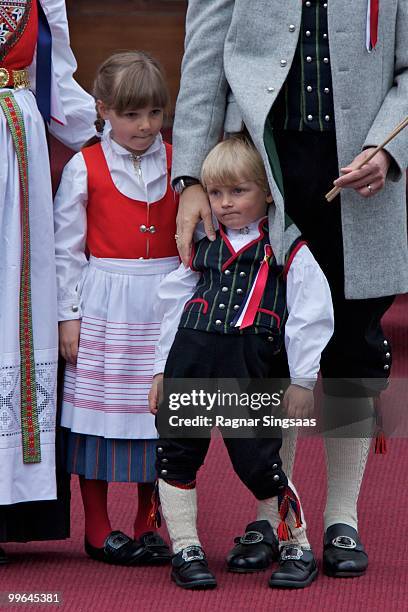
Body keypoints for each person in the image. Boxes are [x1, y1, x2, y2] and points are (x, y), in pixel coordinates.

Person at [170, 0, 408, 577]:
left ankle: (342, 517)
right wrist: (193, 178)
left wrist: (388, 147)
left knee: (353, 348)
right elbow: (204, 58)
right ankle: (271, 511)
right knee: (263, 347)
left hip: (361, 177)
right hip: (260, 170)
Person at [149, 136, 334, 589]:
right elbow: (173, 305)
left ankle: (296, 544)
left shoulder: (286, 249)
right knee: (177, 454)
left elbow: (312, 312)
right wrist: (160, 370)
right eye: (215, 193)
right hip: (190, 360)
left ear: (267, 192)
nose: (225, 204)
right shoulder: (203, 244)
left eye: (238, 192)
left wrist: (303, 380)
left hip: (247, 367)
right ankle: (186, 548)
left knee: (256, 461)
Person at [54, 51, 178, 566]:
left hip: (165, 299)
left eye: (153, 113)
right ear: (102, 109)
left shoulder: (177, 160)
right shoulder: (85, 167)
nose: (145, 126)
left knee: (159, 417)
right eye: (131, 115)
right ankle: (99, 528)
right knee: (99, 417)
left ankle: (148, 521)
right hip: (107, 299)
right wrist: (68, 315)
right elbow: (65, 249)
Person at [0, 0, 96, 564]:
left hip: (18, 151)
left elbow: (55, 75)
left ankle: (9, 503)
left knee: (15, 308)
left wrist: (111, 131)